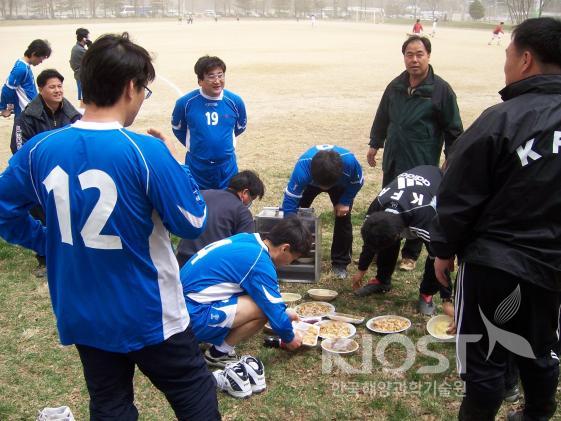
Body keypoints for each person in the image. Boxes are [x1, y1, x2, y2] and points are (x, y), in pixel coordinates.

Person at [0, 33, 220, 420]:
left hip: (82, 310)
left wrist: (47, 240)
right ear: (131, 86)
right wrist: (176, 162)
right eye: (144, 90)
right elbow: (192, 220)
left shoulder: (39, 149)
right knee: (192, 388)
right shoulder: (145, 151)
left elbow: (4, 211)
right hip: (150, 311)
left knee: (109, 403)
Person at [430, 17, 561, 420]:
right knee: (540, 345)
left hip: (494, 263)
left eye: (507, 55)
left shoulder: (501, 120)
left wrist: (443, 250)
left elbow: (458, 193)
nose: (505, 64)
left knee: (484, 359)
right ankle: (537, 412)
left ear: (525, 60)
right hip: (552, 264)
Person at [180, 218, 311, 396]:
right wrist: (290, 338)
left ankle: (211, 339)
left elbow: (255, 292)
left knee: (262, 303)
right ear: (285, 248)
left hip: (180, 307)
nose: (290, 263)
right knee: (263, 310)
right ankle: (218, 353)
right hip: (192, 317)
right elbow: (273, 312)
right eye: (293, 259)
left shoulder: (248, 239)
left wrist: (284, 311)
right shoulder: (260, 262)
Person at [366, 35, 462, 273]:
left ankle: (410, 253)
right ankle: (387, 245)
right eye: (410, 54)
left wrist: (452, 157)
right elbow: (382, 116)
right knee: (393, 204)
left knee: (418, 206)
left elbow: (454, 130)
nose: (414, 60)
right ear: (404, 57)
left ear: (428, 56)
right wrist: (375, 143)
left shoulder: (441, 90)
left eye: (419, 54)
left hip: (421, 159)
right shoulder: (395, 86)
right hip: (394, 158)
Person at [352, 165, 452, 315]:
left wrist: (446, 299)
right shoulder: (376, 207)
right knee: (381, 237)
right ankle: (382, 280)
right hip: (407, 198)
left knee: (434, 256)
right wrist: (362, 270)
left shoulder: (426, 218)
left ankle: (426, 293)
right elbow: (370, 242)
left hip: (435, 185)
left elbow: (441, 257)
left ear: (398, 235)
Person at [10, 68, 81, 277]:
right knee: (42, 215)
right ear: (41, 89)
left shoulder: (73, 115)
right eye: (52, 87)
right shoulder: (27, 117)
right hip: (40, 176)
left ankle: (74, 255)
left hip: (68, 174)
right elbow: (20, 148)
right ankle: (45, 259)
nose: (58, 90)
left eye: (60, 86)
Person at [281, 144, 363, 279]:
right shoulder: (302, 169)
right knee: (295, 217)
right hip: (311, 184)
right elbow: (290, 202)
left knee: (343, 218)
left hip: (340, 184)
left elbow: (357, 182)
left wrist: (345, 201)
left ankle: (340, 263)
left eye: (327, 186)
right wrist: (290, 227)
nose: (325, 188)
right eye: (322, 185)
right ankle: (295, 253)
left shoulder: (350, 163)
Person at [171, 55, 247, 190]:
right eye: (211, 76)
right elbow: (178, 129)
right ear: (200, 80)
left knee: (228, 204)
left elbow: (240, 127)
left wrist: (221, 144)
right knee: (199, 205)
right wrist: (198, 146)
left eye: (220, 75)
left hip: (227, 167)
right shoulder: (185, 103)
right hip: (197, 167)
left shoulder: (235, 101)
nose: (217, 81)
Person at [176, 169, 265, 267]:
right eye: (251, 199)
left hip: (182, 259)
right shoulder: (242, 212)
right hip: (210, 265)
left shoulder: (202, 194)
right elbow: (245, 250)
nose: (249, 203)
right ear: (245, 192)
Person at [0, 39, 51, 118]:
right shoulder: (21, 69)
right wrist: (3, 108)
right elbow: (7, 89)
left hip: (31, 110)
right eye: (41, 58)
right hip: (25, 114)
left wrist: (10, 106)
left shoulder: (25, 66)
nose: (41, 62)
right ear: (33, 54)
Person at [69, 27, 91, 107]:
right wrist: (91, 47)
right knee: (84, 101)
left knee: (85, 100)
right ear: (84, 38)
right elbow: (93, 57)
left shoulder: (77, 48)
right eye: (88, 37)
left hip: (80, 77)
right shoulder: (79, 50)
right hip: (82, 78)